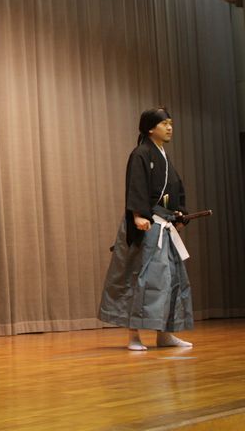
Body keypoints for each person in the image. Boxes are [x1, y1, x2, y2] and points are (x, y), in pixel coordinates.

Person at [98, 107, 193, 351]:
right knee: (139, 278)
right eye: (164, 124)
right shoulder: (141, 154)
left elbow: (175, 188)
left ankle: (166, 334)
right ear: (151, 128)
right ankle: (134, 336)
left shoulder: (163, 157)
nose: (170, 127)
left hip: (164, 225)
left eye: (171, 123)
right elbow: (136, 186)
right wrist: (138, 215)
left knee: (170, 279)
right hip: (146, 225)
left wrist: (179, 213)